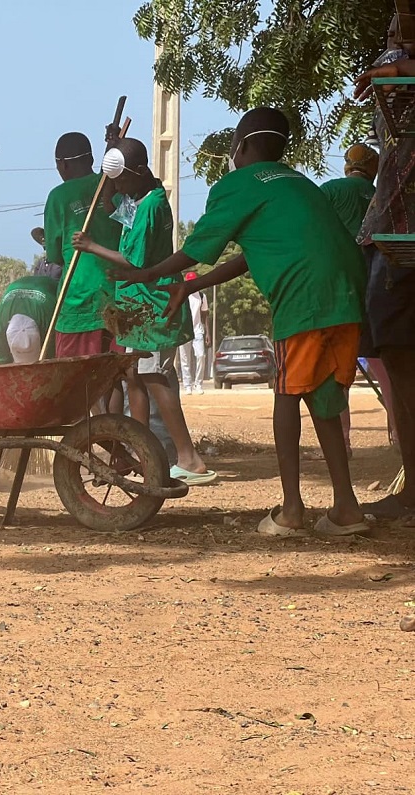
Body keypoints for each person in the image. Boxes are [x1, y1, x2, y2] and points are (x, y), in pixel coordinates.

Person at [121, 108, 366, 537]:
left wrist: (150, 274)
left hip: (303, 302)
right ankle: (346, 509)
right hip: (346, 297)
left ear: (244, 144)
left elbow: (198, 247)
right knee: (325, 399)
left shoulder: (238, 184)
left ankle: (292, 511)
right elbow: (252, 256)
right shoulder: (300, 184)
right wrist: (190, 287)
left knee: (287, 396)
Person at [72, 138, 216, 485]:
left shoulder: (151, 206)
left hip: (152, 305)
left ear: (138, 173)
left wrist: (92, 246)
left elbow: (135, 260)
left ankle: (188, 457)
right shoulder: (138, 198)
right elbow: (109, 203)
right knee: (134, 376)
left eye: (122, 179)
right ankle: (143, 451)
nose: (117, 186)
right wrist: (110, 158)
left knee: (154, 376)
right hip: (136, 307)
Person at [353, 22, 415, 524]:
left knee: (401, 359)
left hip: (402, 245)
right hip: (392, 242)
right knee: (397, 360)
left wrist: (396, 70)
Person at [321, 143, 383, 459]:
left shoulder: (330, 190)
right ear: (374, 169)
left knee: (337, 374)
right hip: (380, 287)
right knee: (387, 368)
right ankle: (398, 436)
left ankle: (342, 442)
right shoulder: (382, 195)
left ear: (347, 166)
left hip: (340, 288)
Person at [43, 132, 122, 358]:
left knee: (74, 380)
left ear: (63, 165)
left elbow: (55, 254)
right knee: (113, 377)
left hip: (79, 302)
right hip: (118, 295)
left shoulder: (58, 197)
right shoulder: (113, 185)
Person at [0, 262, 61, 365]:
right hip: (18, 288)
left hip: (49, 287)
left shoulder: (51, 321)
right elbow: (3, 364)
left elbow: (52, 358)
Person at [176, 272, 209, 394]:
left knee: (201, 356)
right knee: (185, 359)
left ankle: (198, 384)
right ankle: (187, 385)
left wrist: (207, 333)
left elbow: (205, 315)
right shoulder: (182, 295)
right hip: (184, 331)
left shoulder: (201, 296)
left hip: (197, 330)